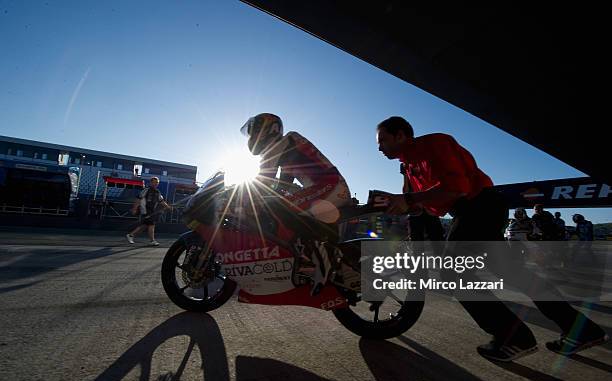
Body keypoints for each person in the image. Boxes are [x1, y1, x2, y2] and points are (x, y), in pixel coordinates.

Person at [376, 116, 608, 361]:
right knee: (515, 273)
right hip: (471, 210)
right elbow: (435, 207)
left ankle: (514, 337)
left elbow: (457, 188)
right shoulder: (409, 167)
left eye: (383, 140)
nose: (379, 147)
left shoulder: (434, 143)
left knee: (453, 275)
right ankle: (582, 330)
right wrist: (409, 206)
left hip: (479, 206)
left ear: (401, 135)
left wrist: (411, 200)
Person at [241, 113, 352, 293]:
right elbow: (281, 186)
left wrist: (244, 197)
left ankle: (323, 263)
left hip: (329, 186)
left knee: (284, 208)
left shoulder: (281, 144)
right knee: (279, 205)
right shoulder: (288, 146)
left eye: (254, 132)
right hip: (329, 187)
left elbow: (265, 180)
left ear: (268, 130)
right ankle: (307, 257)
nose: (252, 138)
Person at [126, 177, 172, 246]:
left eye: (157, 182)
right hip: (145, 210)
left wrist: (167, 206)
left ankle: (131, 235)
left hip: (152, 211)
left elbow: (161, 201)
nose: (155, 184)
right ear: (151, 182)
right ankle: (152, 240)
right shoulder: (146, 190)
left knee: (145, 225)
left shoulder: (157, 192)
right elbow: (138, 199)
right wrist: (134, 208)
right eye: (154, 182)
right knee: (151, 225)